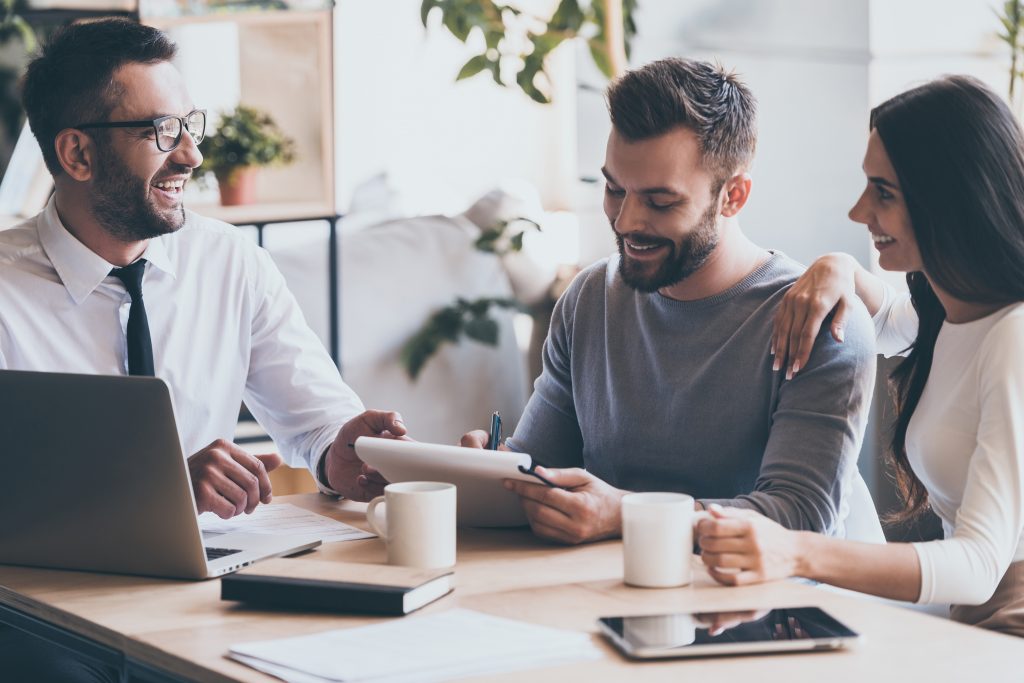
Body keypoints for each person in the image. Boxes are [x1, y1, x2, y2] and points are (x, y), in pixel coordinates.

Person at [0, 19, 397, 680]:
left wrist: (342, 450)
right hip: (40, 620)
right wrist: (155, 492)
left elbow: (319, 421)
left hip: (206, 605)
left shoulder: (230, 262)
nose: (189, 155)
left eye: (191, 126)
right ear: (77, 155)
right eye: (161, 132)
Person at [462, 57, 882, 546]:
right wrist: (490, 473)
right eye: (615, 189)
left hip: (771, 614)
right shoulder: (590, 299)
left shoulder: (819, 322)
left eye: (661, 202)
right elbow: (541, 471)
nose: (626, 221)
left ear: (734, 196)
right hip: (606, 597)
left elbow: (802, 516)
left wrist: (629, 514)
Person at [696, 75, 1024, 638]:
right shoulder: (956, 306)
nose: (857, 211)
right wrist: (838, 267)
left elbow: (974, 568)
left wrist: (795, 552)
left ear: (951, 200)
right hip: (972, 616)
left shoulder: (1013, 337)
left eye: (884, 193)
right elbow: (889, 322)